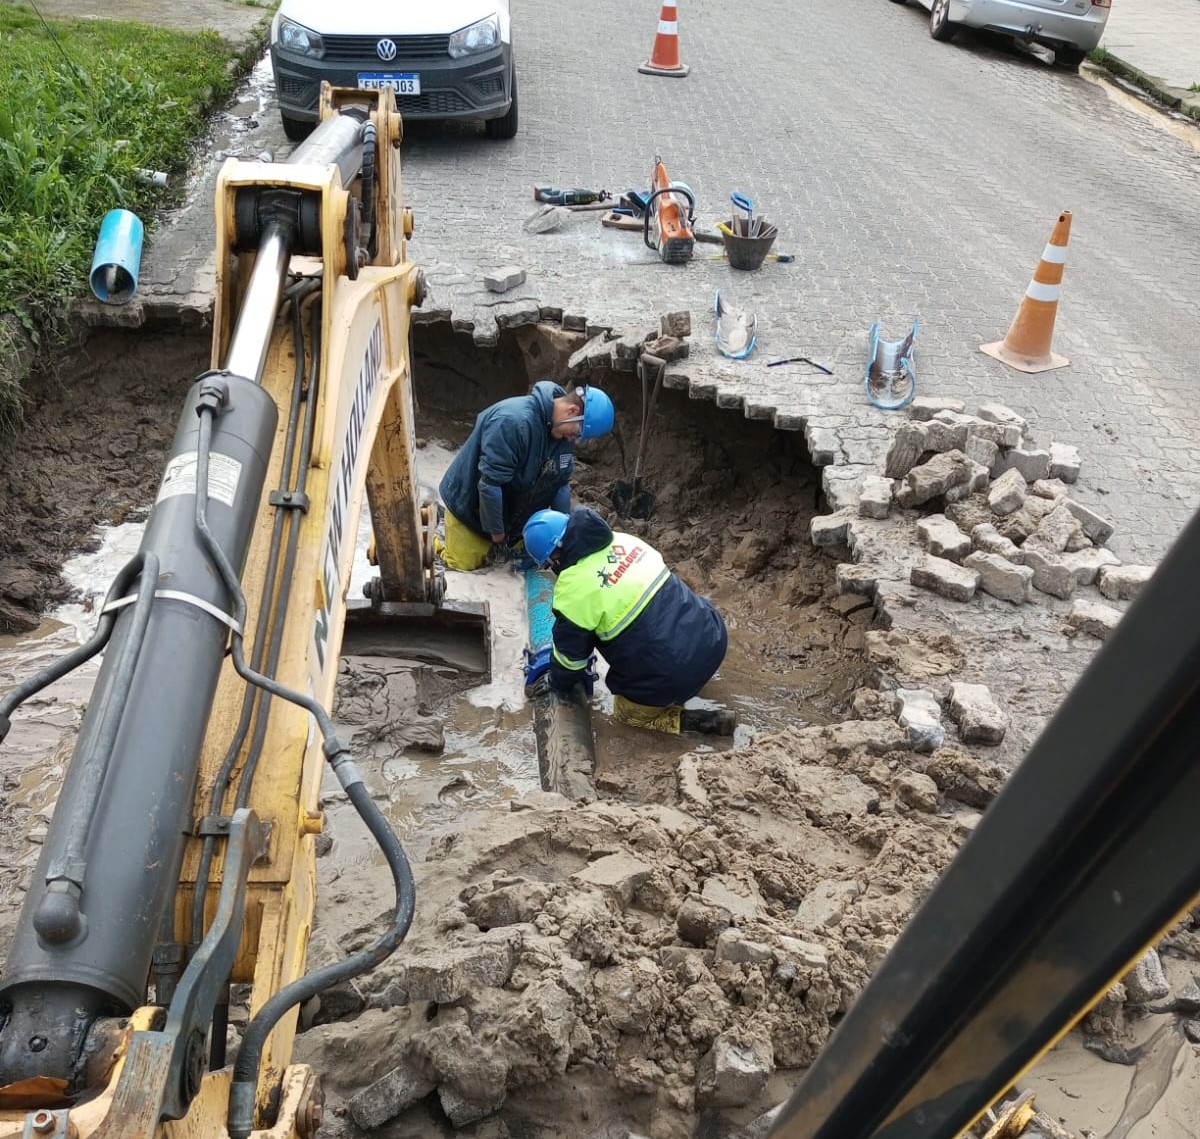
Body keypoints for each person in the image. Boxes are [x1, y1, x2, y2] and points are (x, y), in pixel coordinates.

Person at [522, 506, 736, 735]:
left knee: (627, 713)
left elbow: (571, 659)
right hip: (712, 638)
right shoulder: (625, 541)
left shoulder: (573, 589)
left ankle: (700, 722)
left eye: (548, 563)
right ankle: (692, 675)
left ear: (557, 553)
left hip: (674, 673)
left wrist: (555, 681)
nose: (552, 568)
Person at [437, 381, 615, 571]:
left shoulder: (564, 437)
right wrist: (498, 540)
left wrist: (562, 534)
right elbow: (490, 486)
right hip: (471, 509)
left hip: (516, 519)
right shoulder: (512, 422)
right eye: (577, 432)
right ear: (571, 411)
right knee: (461, 567)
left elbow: (561, 485)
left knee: (521, 570)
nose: (573, 439)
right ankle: (439, 537)